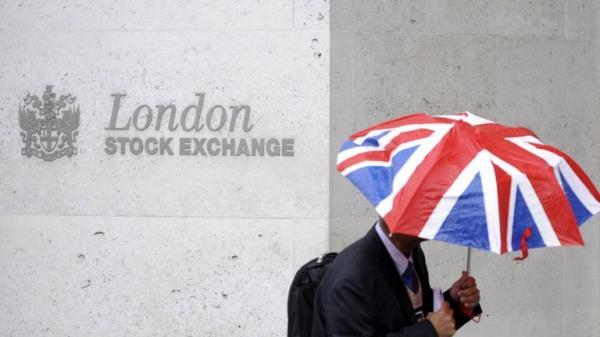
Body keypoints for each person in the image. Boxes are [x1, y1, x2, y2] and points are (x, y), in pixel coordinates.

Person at [311, 217, 481, 337]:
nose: (438, 215)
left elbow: (416, 316)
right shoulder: (351, 280)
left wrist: (454, 300)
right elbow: (428, 327)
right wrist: (430, 331)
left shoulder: (412, 252)